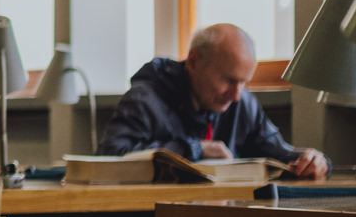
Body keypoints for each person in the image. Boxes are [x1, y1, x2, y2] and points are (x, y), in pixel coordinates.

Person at [100, 22, 328, 178]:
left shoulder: (242, 104)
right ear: (194, 61)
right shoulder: (145, 100)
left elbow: (278, 154)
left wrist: (314, 160)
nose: (236, 95)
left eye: (243, 82)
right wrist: (195, 149)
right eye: (229, 80)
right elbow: (109, 159)